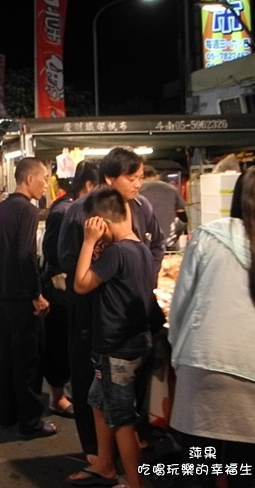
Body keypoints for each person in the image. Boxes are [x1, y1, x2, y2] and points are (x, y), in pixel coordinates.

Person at [168, 167, 255, 488]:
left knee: (200, 470)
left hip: (203, 366)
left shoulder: (208, 236)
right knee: (247, 473)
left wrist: (180, 359)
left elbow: (181, 306)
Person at [57, 147, 165, 462]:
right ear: (108, 179)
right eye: (131, 178)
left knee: (130, 380)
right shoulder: (82, 210)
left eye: (140, 177)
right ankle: (95, 451)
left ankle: (128, 441)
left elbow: (155, 244)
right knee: (90, 381)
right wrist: (102, 278)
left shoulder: (143, 206)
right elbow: (65, 257)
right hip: (93, 310)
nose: (138, 184)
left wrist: (148, 277)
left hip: (134, 309)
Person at [67, 187, 156, 488]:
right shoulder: (140, 248)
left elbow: (80, 284)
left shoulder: (117, 252)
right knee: (98, 400)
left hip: (116, 347)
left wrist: (89, 241)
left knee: (121, 419)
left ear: (101, 221)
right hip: (133, 342)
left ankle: (134, 483)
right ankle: (105, 463)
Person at [0, 157, 57, 439]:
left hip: (3, 294)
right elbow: (25, 255)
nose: (46, 185)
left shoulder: (2, 208)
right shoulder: (27, 210)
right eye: (43, 178)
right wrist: (36, 294)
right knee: (28, 361)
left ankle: (7, 414)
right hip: (21, 297)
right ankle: (30, 422)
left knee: (6, 356)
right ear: (29, 179)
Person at [40, 160, 99, 419]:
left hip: (75, 290)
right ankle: (56, 397)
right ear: (90, 184)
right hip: (61, 290)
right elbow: (52, 252)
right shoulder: (65, 210)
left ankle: (66, 391)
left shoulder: (80, 208)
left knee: (70, 343)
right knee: (59, 342)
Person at [139, 165, 187, 250]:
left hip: (144, 240)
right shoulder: (171, 189)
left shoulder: (135, 190)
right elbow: (182, 216)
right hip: (168, 240)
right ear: (156, 176)